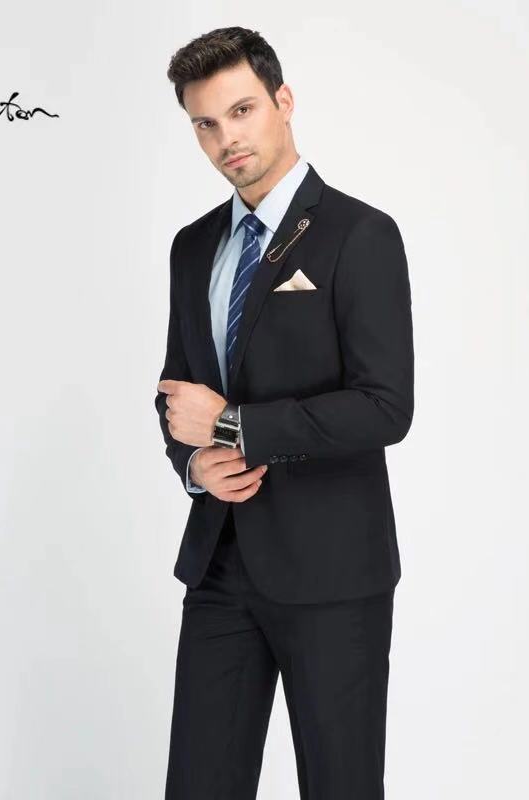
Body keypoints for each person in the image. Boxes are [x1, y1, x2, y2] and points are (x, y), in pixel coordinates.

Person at [155, 25, 414, 799]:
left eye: (241, 111)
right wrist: (196, 465)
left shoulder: (359, 235)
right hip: (220, 565)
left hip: (334, 571)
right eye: (206, 123)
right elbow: (179, 396)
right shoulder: (193, 248)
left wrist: (234, 427)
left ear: (283, 101)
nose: (226, 139)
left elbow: (385, 407)